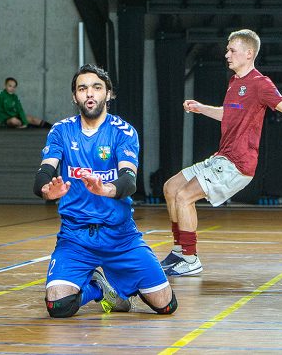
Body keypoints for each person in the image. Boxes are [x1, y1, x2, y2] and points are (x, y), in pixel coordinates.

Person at [160, 29, 282, 276]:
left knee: (184, 197)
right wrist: (201, 108)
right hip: (222, 157)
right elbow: (227, 115)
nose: (226, 54)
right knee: (171, 187)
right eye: (227, 49)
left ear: (249, 53)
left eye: (232, 50)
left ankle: (190, 258)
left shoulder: (261, 84)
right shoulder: (235, 83)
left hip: (237, 164)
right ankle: (179, 251)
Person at [36, 64, 177, 318]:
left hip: (120, 236)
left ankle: (116, 285)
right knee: (58, 306)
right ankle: (101, 290)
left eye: (96, 87)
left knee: (166, 306)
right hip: (75, 236)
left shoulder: (123, 132)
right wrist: (48, 192)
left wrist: (107, 190)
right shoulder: (61, 131)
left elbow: (129, 179)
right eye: (82, 88)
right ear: (74, 96)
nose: (89, 94)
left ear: (108, 94)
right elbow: (44, 173)